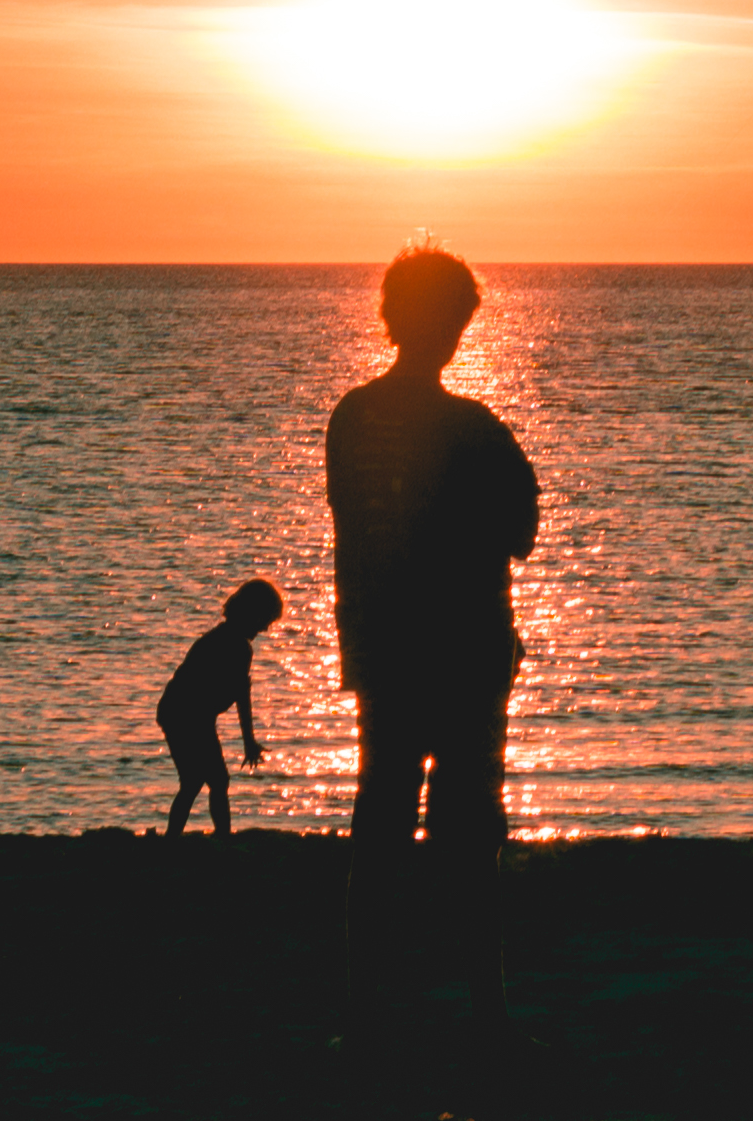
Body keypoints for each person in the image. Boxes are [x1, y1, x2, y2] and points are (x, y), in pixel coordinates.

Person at [327, 247, 544, 861]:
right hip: (466, 655)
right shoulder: (475, 428)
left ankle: (375, 956)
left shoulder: (352, 417)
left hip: (379, 647)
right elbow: (522, 535)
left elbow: (354, 525)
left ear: (390, 317)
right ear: (453, 326)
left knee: (381, 815)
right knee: (468, 828)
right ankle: (463, 954)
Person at [158, 577, 280, 834]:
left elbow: (239, 692)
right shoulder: (235, 646)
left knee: (204, 781)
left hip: (188, 714)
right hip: (184, 714)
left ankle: (184, 838)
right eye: (265, 621)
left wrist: (249, 740)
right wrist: (248, 740)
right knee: (202, 781)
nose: (266, 629)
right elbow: (240, 695)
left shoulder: (225, 638)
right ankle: (215, 838)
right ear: (252, 613)